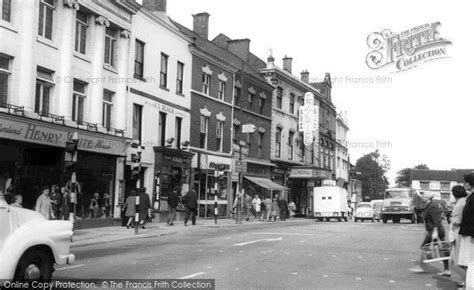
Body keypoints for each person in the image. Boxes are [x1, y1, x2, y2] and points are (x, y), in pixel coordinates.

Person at [410, 191, 450, 275]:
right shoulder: (429, 205)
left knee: (424, 247)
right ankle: (446, 269)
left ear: (428, 197)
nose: (422, 197)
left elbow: (437, 220)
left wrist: (435, 232)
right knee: (442, 248)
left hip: (435, 230)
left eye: (424, 195)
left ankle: (421, 266)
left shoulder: (432, 206)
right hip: (434, 230)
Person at [457, 173, 474, 285]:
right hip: (468, 234)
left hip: (471, 235)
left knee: (470, 262)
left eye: (465, 182)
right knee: (468, 262)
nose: (464, 184)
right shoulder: (470, 197)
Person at [449, 185, 467, 273]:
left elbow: (458, 220)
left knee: (461, 258)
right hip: (462, 231)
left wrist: (451, 219)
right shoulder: (465, 201)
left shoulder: (460, 204)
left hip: (458, 232)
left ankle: (467, 281)